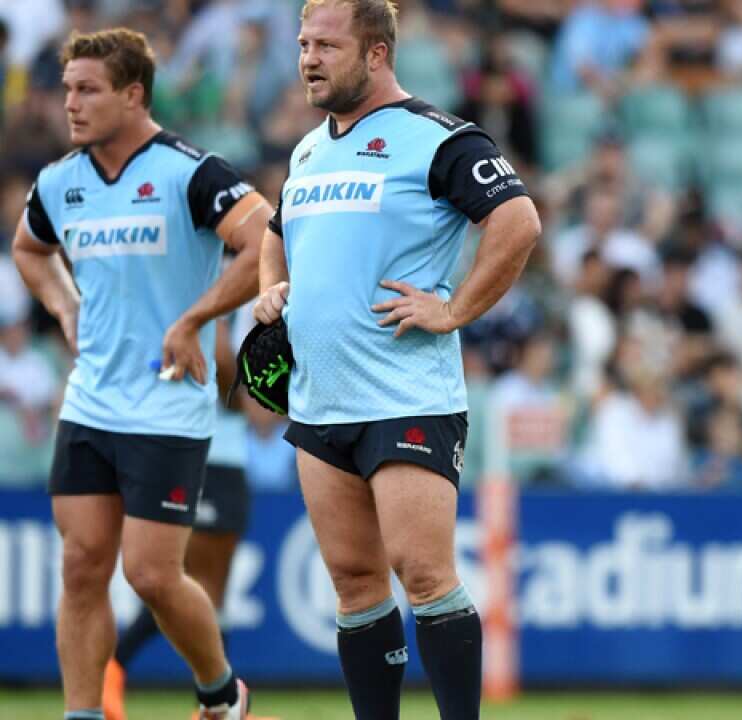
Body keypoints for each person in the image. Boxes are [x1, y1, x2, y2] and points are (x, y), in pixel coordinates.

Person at [252, 2, 540, 719]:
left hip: (407, 394)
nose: (307, 58)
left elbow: (518, 220)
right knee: (354, 583)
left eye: (325, 44)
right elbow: (273, 231)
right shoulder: (308, 150)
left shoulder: (439, 139)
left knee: (424, 573)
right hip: (319, 400)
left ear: (376, 53)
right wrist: (269, 289)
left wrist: (455, 309)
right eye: (302, 44)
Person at [11, 28, 268, 720]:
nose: (70, 103)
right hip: (89, 403)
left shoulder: (190, 170)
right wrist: (65, 308)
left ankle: (221, 693)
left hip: (167, 405)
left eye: (87, 89)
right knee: (80, 567)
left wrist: (194, 319)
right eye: (67, 88)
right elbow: (29, 249)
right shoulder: (61, 181)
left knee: (152, 575)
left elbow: (264, 239)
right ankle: (82, 714)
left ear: (132, 95)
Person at [102, 308, 268, 720]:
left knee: (200, 593)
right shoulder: (212, 310)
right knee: (195, 589)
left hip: (189, 455)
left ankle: (215, 702)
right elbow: (236, 394)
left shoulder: (179, 301)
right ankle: (206, 700)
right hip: (213, 459)